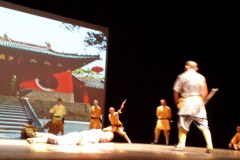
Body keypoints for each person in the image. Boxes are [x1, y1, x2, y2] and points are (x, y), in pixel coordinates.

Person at [173, 60, 213, 153]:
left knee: (183, 125)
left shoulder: (182, 76)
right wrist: (202, 103)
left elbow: (176, 90)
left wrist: (176, 101)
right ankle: (209, 145)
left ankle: (181, 145)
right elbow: (204, 91)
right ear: (196, 68)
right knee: (204, 125)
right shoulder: (201, 77)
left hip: (187, 102)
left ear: (186, 67)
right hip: (198, 102)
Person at [26, 129, 114, 145]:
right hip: (76, 138)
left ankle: (36, 136)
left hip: (75, 135)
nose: (106, 140)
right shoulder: (99, 134)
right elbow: (84, 143)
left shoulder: (97, 131)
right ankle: (35, 137)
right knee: (55, 140)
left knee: (56, 139)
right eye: (108, 138)